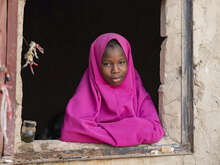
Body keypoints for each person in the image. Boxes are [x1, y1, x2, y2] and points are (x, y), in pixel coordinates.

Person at [60, 33, 164, 146]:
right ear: (96, 64)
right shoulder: (88, 89)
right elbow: (73, 131)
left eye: (121, 62)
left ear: (128, 61)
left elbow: (155, 130)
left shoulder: (136, 88)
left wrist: (101, 131)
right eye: (107, 64)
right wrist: (134, 128)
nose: (115, 70)